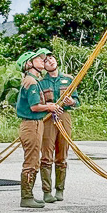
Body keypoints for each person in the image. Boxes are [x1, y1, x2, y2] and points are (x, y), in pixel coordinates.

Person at [15, 50, 64, 208]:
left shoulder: (32, 80)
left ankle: (29, 195)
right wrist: (49, 106)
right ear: (29, 64)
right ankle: (26, 197)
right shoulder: (32, 82)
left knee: (34, 160)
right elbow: (35, 106)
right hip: (31, 124)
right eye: (38, 59)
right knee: (31, 161)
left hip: (35, 124)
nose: (42, 61)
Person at [38, 50, 78, 203]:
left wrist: (72, 102)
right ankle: (47, 191)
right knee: (46, 156)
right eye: (46, 61)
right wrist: (48, 106)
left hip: (64, 116)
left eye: (52, 58)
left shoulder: (68, 79)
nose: (51, 61)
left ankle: (60, 189)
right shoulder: (41, 82)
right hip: (48, 118)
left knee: (62, 155)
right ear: (43, 66)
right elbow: (37, 103)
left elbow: (77, 100)